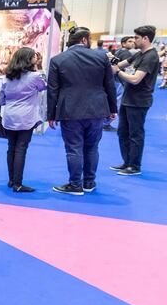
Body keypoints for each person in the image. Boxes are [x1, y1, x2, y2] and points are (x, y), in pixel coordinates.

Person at [46, 26, 116, 195]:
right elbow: (110, 85)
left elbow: (52, 90)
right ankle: (89, 183)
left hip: (70, 110)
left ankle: (75, 185)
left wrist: (51, 115)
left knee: (74, 148)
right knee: (92, 147)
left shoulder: (58, 60)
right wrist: (112, 109)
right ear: (84, 40)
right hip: (97, 109)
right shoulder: (101, 57)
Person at [111, 25, 161, 176]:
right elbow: (121, 64)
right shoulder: (139, 54)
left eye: (137, 38)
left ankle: (134, 165)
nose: (134, 41)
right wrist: (110, 62)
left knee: (135, 134)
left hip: (139, 101)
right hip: (128, 99)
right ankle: (127, 162)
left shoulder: (151, 56)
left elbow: (135, 79)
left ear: (146, 38)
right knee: (122, 132)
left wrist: (118, 72)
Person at [0, 47, 47, 193]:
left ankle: (12, 180)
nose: (36, 59)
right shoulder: (35, 77)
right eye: (34, 57)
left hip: (9, 117)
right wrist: (39, 67)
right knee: (21, 149)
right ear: (28, 59)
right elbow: (44, 86)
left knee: (11, 148)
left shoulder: (6, 77)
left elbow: (1, 100)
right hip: (26, 118)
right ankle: (18, 184)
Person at [103, 36, 135, 132]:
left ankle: (107, 122)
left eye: (133, 41)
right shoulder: (126, 52)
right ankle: (106, 122)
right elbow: (126, 69)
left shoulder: (118, 51)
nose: (132, 43)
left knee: (115, 100)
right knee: (118, 102)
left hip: (115, 79)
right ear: (123, 43)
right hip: (120, 80)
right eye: (129, 41)